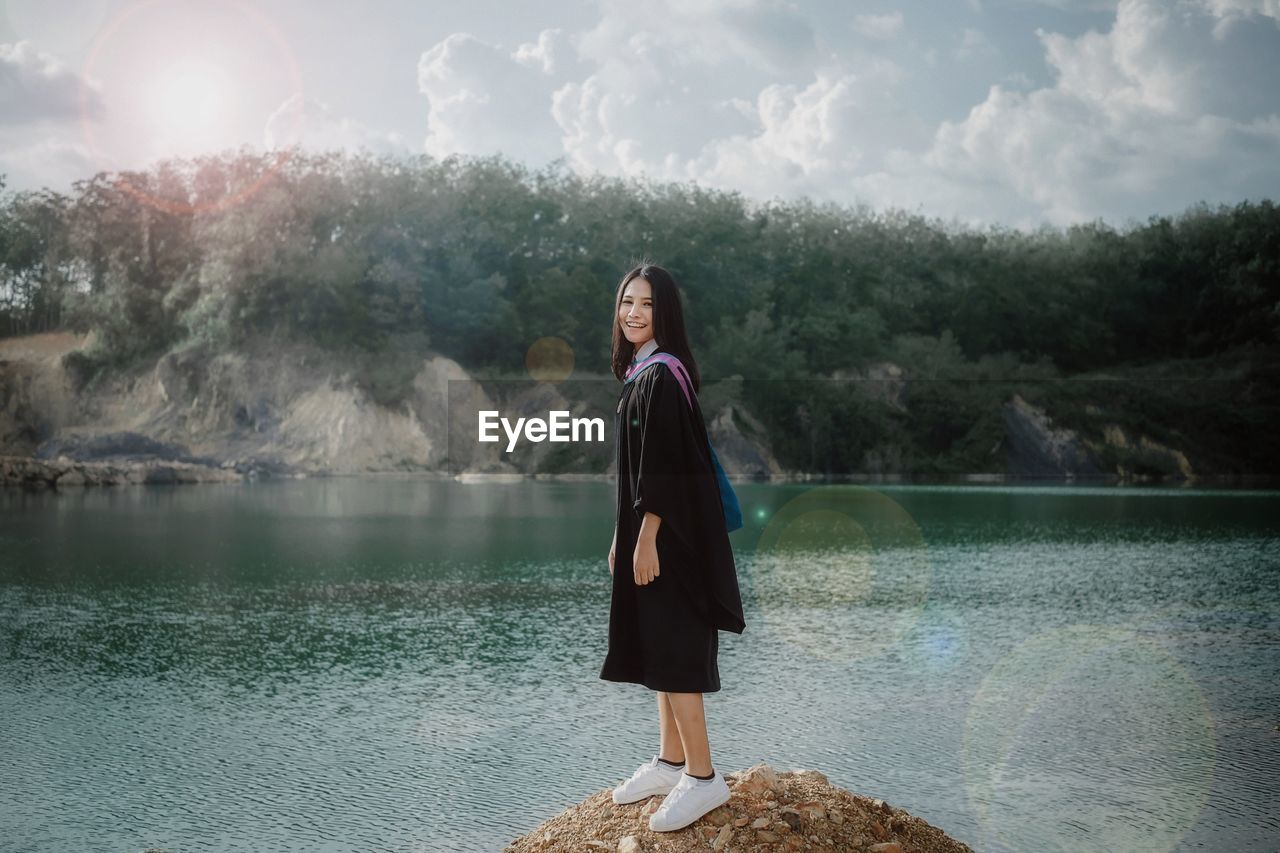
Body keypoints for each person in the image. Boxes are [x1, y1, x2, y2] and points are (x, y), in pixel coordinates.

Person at [600, 262, 746, 833]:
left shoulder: (664, 375)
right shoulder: (643, 371)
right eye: (626, 303)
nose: (633, 313)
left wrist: (648, 536)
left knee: (678, 651)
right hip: (649, 532)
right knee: (659, 647)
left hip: (672, 539)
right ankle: (670, 761)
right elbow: (636, 469)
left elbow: (664, 468)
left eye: (646, 304)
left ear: (666, 312)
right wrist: (623, 532)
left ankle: (704, 778)